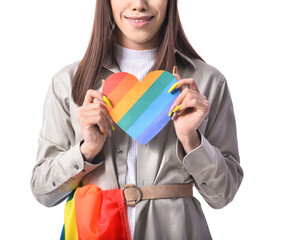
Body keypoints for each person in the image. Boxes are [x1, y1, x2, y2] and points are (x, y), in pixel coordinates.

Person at [31, 0, 244, 239]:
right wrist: (87, 151)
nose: (138, 5)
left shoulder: (208, 82)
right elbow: (43, 190)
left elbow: (222, 195)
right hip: (95, 231)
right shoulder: (68, 82)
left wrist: (191, 140)